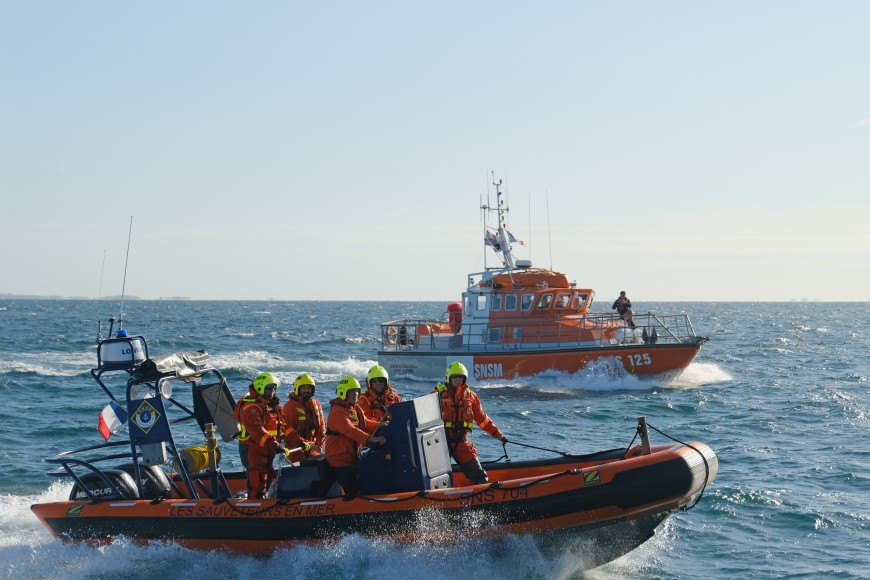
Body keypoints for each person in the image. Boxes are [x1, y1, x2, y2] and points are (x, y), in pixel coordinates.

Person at [433, 362, 508, 485]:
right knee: (434, 477)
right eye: (454, 377)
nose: (457, 380)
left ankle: (482, 493)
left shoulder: (471, 397)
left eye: (460, 377)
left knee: (479, 476)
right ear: (448, 378)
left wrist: (498, 435)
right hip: (440, 442)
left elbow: (482, 419)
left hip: (461, 442)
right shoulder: (436, 395)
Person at [325, 376, 387, 500]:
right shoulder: (337, 412)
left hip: (354, 457)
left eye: (357, 392)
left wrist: (381, 425)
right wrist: (371, 439)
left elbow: (366, 423)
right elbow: (350, 430)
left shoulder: (354, 408)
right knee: (353, 490)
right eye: (352, 392)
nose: (356, 395)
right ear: (343, 393)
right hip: (340, 460)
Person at [233, 372, 285, 499]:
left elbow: (282, 426)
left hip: (267, 450)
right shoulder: (251, 408)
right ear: (261, 388)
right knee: (256, 482)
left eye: (274, 389)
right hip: (253, 450)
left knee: (267, 480)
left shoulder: (270, 407)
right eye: (269, 388)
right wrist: (275, 445)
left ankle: (263, 501)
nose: (272, 392)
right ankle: (254, 504)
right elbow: (258, 432)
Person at [281, 372, 325, 463]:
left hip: (314, 449)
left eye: (309, 388)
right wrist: (303, 443)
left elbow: (321, 427)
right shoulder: (290, 406)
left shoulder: (316, 404)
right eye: (304, 387)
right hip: (296, 450)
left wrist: (319, 445)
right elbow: (288, 430)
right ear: (297, 388)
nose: (307, 390)